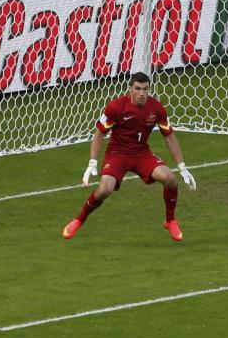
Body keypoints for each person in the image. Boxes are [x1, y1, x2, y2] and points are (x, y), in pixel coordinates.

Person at [62, 72, 196, 241]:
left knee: (170, 178)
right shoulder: (115, 107)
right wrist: (92, 163)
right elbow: (99, 134)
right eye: (138, 89)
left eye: (146, 89)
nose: (142, 93)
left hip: (141, 153)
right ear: (129, 89)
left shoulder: (157, 109)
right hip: (118, 154)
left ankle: (170, 220)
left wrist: (182, 167)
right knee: (105, 189)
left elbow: (169, 137)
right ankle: (79, 220)